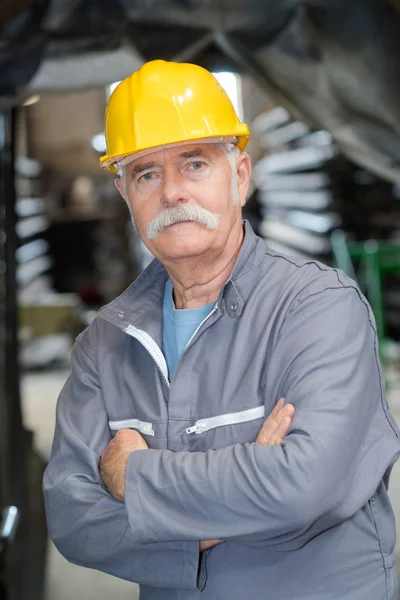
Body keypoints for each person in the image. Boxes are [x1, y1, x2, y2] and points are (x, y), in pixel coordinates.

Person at [43, 59, 400, 600]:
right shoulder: (104, 344)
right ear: (125, 195)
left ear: (240, 177)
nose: (172, 193)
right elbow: (73, 522)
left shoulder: (319, 307)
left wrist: (133, 477)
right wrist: (237, 503)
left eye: (195, 164)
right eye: (146, 173)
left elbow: (302, 487)